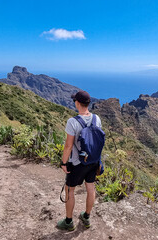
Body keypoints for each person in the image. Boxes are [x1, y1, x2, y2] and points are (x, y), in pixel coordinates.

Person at [57, 90, 102, 231]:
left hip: (77, 163)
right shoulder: (97, 119)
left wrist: (64, 163)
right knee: (90, 188)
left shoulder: (73, 122)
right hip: (93, 161)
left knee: (70, 190)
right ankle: (86, 217)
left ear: (77, 103)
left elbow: (68, 146)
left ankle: (69, 222)